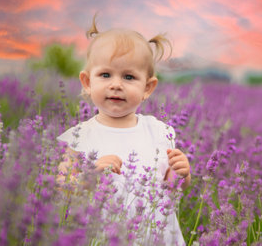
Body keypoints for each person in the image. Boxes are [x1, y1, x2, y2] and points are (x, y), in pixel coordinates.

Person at [56, 16, 190, 245]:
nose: (116, 84)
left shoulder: (159, 132)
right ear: (87, 82)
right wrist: (88, 177)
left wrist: (183, 173)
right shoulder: (80, 137)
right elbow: (62, 187)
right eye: (105, 75)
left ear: (147, 87)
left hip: (154, 235)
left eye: (129, 77)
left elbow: (172, 186)